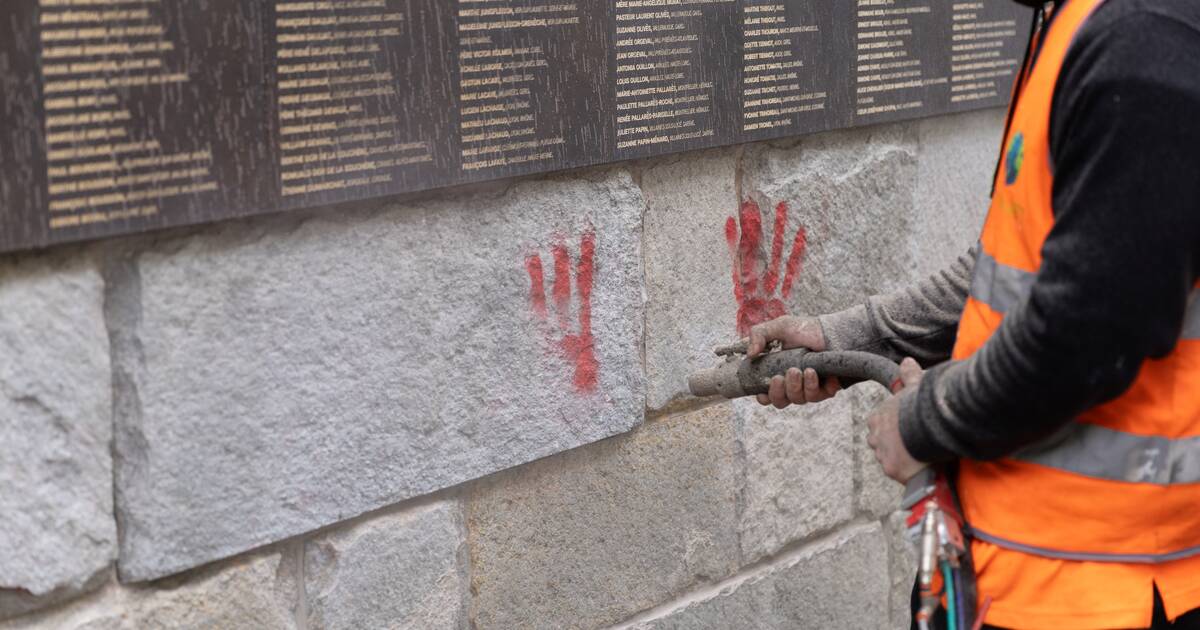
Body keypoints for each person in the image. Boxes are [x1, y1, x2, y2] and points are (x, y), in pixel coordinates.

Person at [746, 0, 1200, 628]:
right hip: (1018, 573)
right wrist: (844, 338)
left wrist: (922, 421)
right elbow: (1011, 266)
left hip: (1103, 593)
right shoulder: (1078, 24)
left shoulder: (1142, 43)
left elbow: (1087, 331)